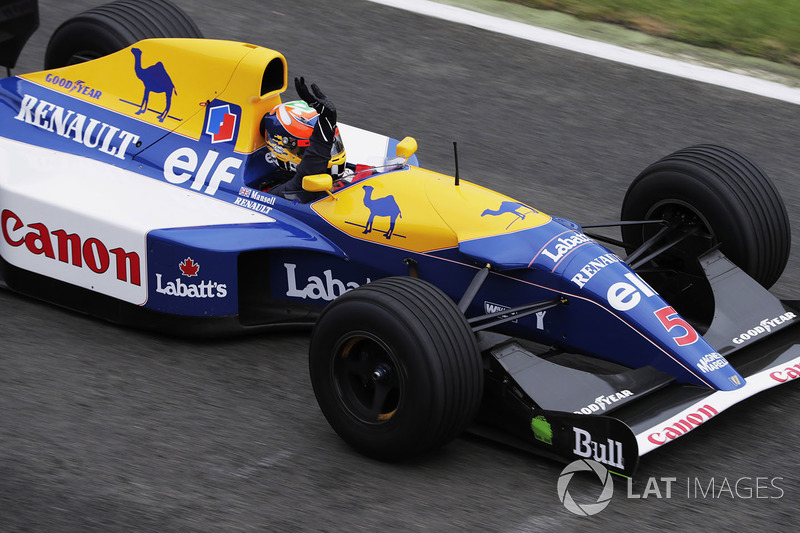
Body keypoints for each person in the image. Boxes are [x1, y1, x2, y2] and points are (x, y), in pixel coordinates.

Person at [260, 77, 346, 201]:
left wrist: (328, 126)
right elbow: (309, 174)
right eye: (310, 147)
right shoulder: (287, 192)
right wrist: (326, 125)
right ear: (281, 147)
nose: (330, 153)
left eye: (334, 144)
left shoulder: (356, 173)